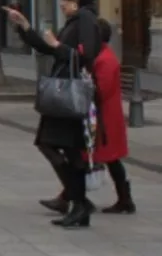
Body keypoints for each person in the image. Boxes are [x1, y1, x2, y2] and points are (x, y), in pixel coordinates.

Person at [5, 0, 101, 229]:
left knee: (55, 146)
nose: (61, 4)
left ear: (76, 1)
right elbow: (49, 49)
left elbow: (87, 56)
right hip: (63, 95)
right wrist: (25, 27)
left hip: (70, 96)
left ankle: (78, 201)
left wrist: (59, 46)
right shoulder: (76, 21)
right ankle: (78, 203)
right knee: (64, 149)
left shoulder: (86, 21)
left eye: (64, 0)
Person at [39, 17, 134, 215]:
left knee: (100, 157)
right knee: (104, 158)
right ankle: (119, 199)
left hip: (104, 118)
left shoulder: (105, 59)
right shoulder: (97, 55)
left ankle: (75, 197)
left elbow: (101, 90)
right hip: (99, 117)